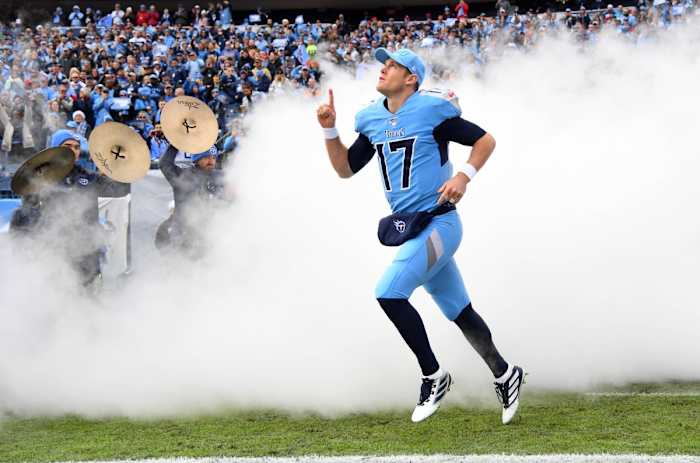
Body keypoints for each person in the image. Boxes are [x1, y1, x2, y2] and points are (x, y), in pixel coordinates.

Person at [316, 48, 524, 424]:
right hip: (410, 226)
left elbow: (485, 140)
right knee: (458, 310)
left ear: (411, 77)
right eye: (384, 63)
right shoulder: (373, 117)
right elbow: (345, 169)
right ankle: (505, 373)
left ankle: (433, 375)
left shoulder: (431, 110)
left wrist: (463, 176)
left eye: (393, 65)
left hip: (440, 221)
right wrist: (330, 130)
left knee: (389, 292)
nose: (384, 68)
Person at [10, 130, 125, 287]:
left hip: (87, 248)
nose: (73, 150)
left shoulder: (87, 176)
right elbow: (25, 215)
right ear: (55, 148)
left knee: (87, 296)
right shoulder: (41, 178)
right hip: (55, 247)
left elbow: (116, 190)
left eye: (77, 147)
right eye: (67, 146)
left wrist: (112, 171)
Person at [157, 144, 229, 255]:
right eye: (206, 157)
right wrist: (177, 142)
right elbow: (164, 164)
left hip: (209, 235)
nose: (211, 161)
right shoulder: (182, 175)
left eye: (213, 157)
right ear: (196, 159)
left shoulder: (219, 177)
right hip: (183, 235)